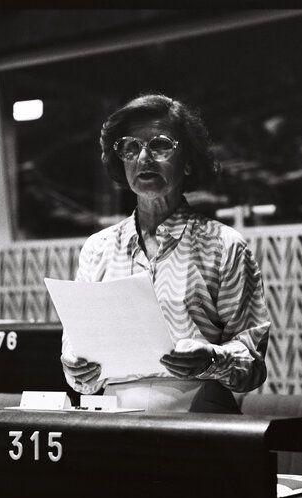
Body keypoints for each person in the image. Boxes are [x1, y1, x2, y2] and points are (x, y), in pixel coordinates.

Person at [61, 92, 270, 413]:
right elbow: (76, 352)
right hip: (110, 414)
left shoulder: (224, 245)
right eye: (130, 147)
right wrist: (76, 368)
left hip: (199, 411)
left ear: (188, 161)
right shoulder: (97, 248)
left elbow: (252, 365)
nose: (143, 158)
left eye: (159, 144)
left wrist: (212, 358)